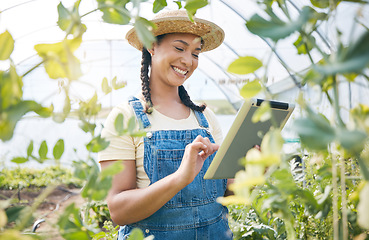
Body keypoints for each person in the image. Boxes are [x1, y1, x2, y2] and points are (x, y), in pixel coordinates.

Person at [98, 9, 233, 240]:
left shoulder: (206, 118)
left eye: (196, 53)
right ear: (152, 46)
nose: (188, 61)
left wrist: (252, 172)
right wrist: (180, 178)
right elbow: (118, 210)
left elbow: (225, 195)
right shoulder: (126, 118)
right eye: (180, 48)